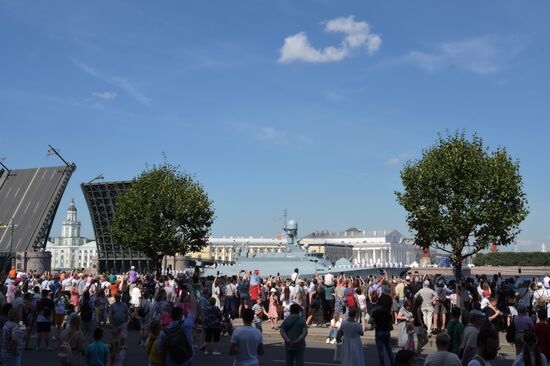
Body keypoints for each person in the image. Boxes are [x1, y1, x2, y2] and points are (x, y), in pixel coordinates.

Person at [158, 285, 197, 366]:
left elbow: (160, 349)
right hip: (186, 357)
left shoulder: (164, 331)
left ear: (171, 316)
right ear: (180, 316)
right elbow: (193, 309)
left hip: (171, 359)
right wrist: (191, 291)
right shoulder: (186, 325)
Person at [371, 302, 395, 366]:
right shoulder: (387, 312)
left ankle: (382, 364)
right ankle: (392, 363)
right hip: (387, 331)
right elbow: (391, 321)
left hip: (379, 331)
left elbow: (370, 321)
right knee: (389, 349)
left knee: (380, 350)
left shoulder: (375, 312)